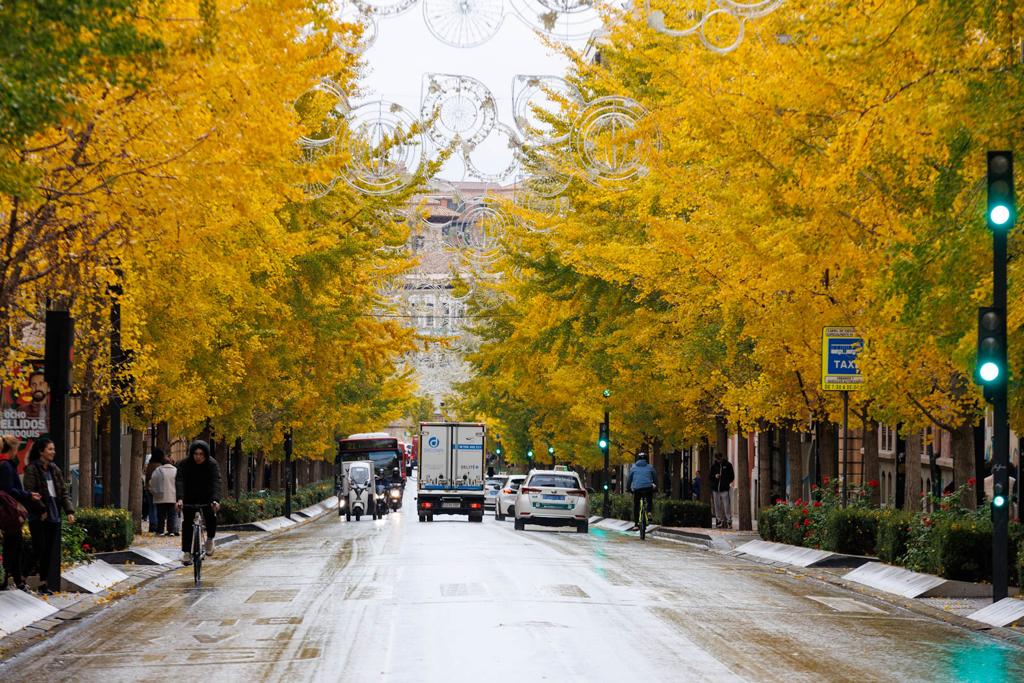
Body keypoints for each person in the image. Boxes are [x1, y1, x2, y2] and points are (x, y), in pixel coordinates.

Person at [23, 437, 75, 594]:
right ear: (41, 451)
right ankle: (22, 579)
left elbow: (63, 492)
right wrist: (41, 510)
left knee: (48, 552)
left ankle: (43, 584)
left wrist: (69, 511)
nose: (53, 452)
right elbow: (30, 492)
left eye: (53, 449)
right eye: (50, 449)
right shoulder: (32, 469)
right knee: (39, 548)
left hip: (54, 516)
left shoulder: (54, 469)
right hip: (39, 517)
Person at [0, 435, 42, 591]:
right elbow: (9, 490)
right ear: (13, 448)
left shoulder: (6, 464)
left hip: (8, 512)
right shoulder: (6, 466)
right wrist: (28, 495)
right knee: (13, 547)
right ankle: (11, 581)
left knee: (14, 546)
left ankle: (15, 581)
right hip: (9, 513)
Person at [175, 440, 221, 565]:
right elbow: (179, 481)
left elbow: (216, 482)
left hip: (207, 496)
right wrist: (180, 499)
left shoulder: (212, 464)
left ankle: (210, 539)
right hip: (189, 496)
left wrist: (215, 500)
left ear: (205, 454)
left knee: (211, 516)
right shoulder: (184, 464)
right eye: (196, 454)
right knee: (187, 523)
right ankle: (186, 552)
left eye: (201, 454)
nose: (198, 457)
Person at [149, 452, 177, 536]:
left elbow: (152, 482)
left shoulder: (158, 470)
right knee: (171, 515)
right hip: (172, 496)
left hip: (160, 497)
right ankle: (171, 531)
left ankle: (160, 531)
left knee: (161, 515)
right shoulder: (175, 470)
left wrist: (153, 491)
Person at [626, 452, 656, 529]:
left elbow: (629, 480)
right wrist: (655, 486)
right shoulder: (650, 467)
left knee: (636, 505)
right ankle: (649, 511)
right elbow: (655, 477)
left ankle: (636, 524)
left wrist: (628, 488)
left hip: (637, 488)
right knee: (649, 499)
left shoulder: (633, 467)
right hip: (648, 487)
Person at [710, 452, 735, 529]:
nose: (718, 460)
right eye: (717, 459)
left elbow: (732, 476)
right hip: (716, 489)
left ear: (722, 457)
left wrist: (725, 481)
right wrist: (715, 476)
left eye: (719, 459)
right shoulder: (714, 466)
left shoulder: (728, 465)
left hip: (724, 489)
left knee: (726, 505)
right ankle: (719, 520)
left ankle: (729, 521)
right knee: (717, 506)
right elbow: (710, 476)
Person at [144, 448, 164, 532]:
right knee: (156, 507)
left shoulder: (149, 465)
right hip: (157, 489)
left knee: (151, 507)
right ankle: (155, 525)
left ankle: (152, 525)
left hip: (148, 488)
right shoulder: (159, 466)